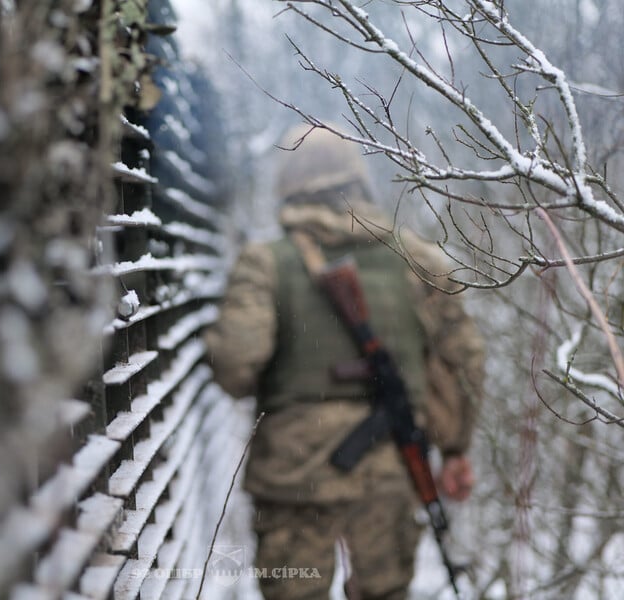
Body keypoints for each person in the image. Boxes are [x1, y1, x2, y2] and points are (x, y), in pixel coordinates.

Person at [204, 125, 486, 600]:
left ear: (288, 186)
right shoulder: (419, 260)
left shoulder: (264, 263)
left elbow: (234, 364)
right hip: (392, 469)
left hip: (294, 478)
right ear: (359, 181)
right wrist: (455, 448)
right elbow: (464, 363)